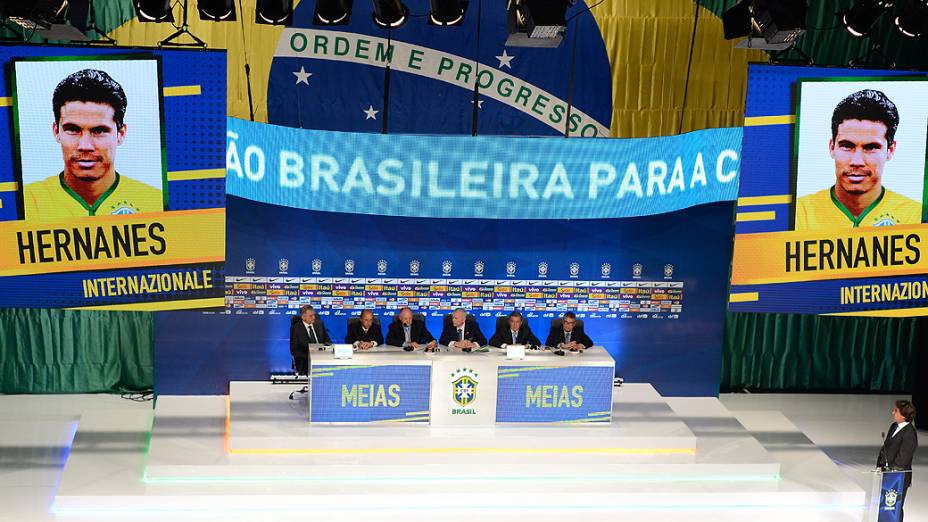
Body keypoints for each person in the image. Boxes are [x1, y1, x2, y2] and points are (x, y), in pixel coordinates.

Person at [22, 68, 162, 222]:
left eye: (99, 131)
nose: (85, 145)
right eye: (73, 130)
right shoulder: (26, 202)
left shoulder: (156, 203)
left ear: (120, 133)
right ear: (56, 131)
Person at [796, 89, 921, 230]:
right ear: (832, 147)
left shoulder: (915, 216)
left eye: (871, 147)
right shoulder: (800, 213)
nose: (857, 161)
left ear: (890, 150)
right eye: (847, 146)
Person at [877, 399, 918, 521]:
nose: (892, 413)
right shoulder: (894, 426)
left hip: (897, 478)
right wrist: (880, 465)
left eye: (896, 411)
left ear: (904, 415)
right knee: (886, 507)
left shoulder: (909, 434)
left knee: (895, 507)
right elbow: (886, 448)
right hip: (887, 475)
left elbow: (902, 459)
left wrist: (890, 471)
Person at [289, 305, 331, 374]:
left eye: (314, 315)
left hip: (321, 357)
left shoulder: (319, 324)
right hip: (305, 361)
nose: (314, 318)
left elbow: (328, 341)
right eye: (311, 316)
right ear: (303, 317)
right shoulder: (296, 329)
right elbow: (294, 350)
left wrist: (325, 350)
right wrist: (311, 355)